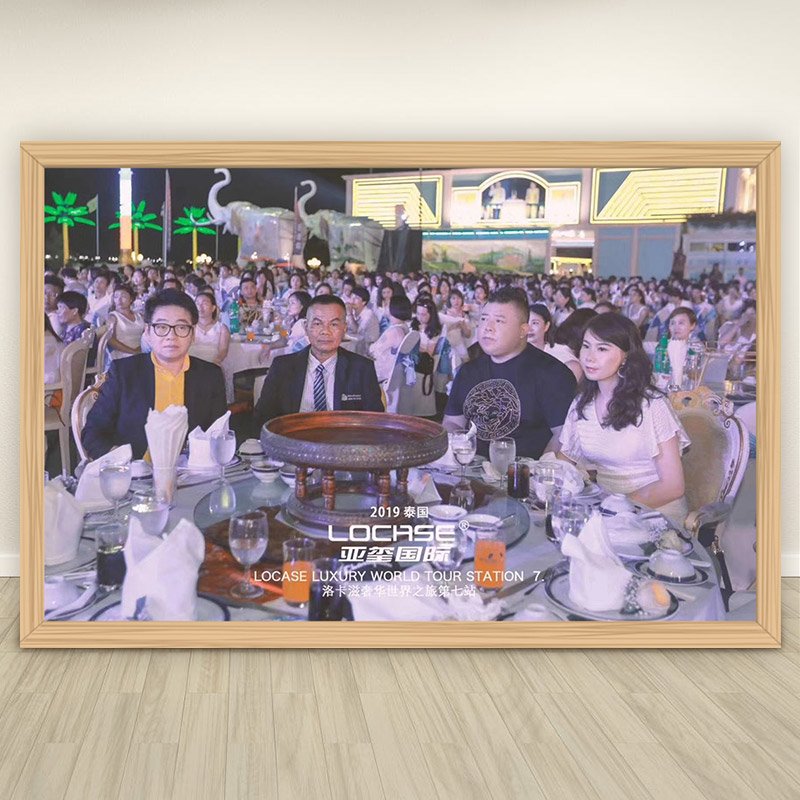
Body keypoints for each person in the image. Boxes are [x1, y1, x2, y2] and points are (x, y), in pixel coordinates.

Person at [558, 314, 689, 525]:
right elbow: (564, 464)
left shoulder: (652, 405)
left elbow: (673, 486)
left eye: (602, 349)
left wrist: (613, 508)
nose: (589, 357)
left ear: (626, 357)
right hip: (604, 513)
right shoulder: (582, 403)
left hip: (653, 512)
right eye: (586, 346)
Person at [82, 289, 227, 460]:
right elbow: (92, 433)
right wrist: (123, 460)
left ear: (193, 334)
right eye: (161, 327)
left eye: (181, 327)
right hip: (136, 471)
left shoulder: (210, 376)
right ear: (148, 333)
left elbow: (219, 434)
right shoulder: (124, 372)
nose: (171, 336)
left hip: (193, 471)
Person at [443, 288, 576, 458]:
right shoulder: (468, 371)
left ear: (523, 330)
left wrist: (541, 468)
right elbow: (452, 421)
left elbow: (563, 436)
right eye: (484, 319)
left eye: (499, 321)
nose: (487, 328)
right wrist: (459, 446)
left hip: (528, 470)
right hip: (473, 466)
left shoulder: (553, 374)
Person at [253, 295, 383, 424]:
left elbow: (375, 422)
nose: (325, 331)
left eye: (334, 324)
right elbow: (262, 419)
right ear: (306, 328)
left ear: (344, 328)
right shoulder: (282, 367)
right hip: (292, 434)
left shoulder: (362, 369)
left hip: (343, 436)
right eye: (317, 323)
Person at [368, 295, 413, 384]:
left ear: (394, 309)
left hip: (382, 374)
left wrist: (370, 346)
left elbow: (373, 351)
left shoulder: (394, 332)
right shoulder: (404, 327)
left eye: (387, 304)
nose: (384, 306)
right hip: (394, 373)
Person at [190, 291, 230, 367]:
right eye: (197, 303)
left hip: (214, 364)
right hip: (192, 365)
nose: (200, 307)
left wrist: (215, 363)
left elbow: (223, 350)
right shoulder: (190, 327)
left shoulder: (222, 328)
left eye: (205, 303)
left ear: (213, 308)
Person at [107, 284, 145, 360]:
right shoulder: (113, 317)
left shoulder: (139, 316)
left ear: (131, 299)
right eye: (116, 297)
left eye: (123, 297)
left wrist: (141, 349)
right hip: (122, 355)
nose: (119, 300)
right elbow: (111, 340)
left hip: (141, 352)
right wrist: (133, 351)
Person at [347, 287, 380, 355]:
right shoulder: (353, 312)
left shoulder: (369, 315)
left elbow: (357, 331)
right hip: (356, 343)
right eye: (352, 297)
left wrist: (349, 314)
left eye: (356, 298)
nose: (352, 300)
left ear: (364, 302)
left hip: (368, 348)